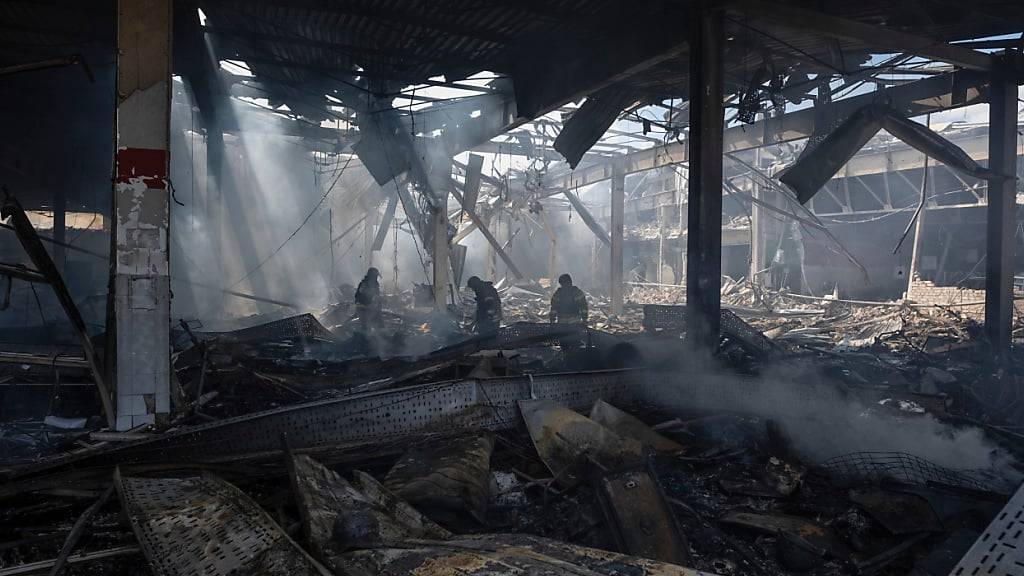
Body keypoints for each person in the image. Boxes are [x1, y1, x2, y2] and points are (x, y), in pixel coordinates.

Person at [354, 267, 383, 334]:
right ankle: (364, 339)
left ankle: (381, 337)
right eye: (375, 276)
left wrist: (378, 302)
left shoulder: (375, 284)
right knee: (366, 326)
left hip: (371, 308)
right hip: (362, 307)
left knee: (380, 325)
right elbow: (360, 296)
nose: (376, 278)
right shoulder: (364, 284)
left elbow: (376, 296)